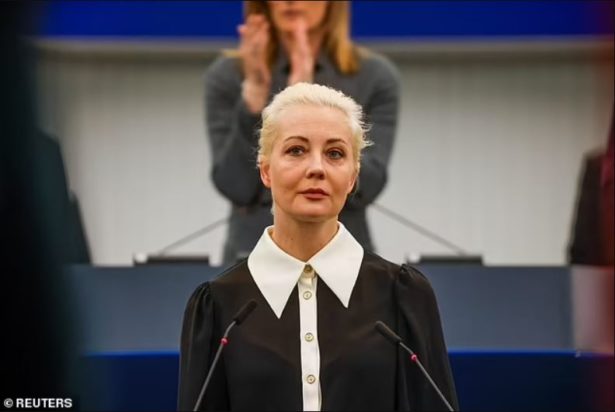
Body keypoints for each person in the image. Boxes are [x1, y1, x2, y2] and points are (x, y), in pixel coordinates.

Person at [179, 83, 457, 411]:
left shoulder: (403, 296)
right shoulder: (218, 306)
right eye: (296, 150)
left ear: (352, 177)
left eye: (335, 154)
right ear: (266, 170)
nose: (316, 168)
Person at [205, 0, 400, 264]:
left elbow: (369, 185)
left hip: (345, 261)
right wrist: (254, 95)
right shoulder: (228, 74)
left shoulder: (374, 76)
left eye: (334, 153)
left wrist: (305, 97)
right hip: (251, 258)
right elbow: (235, 186)